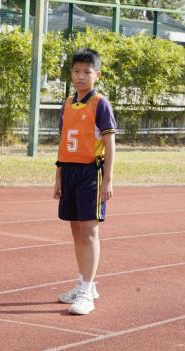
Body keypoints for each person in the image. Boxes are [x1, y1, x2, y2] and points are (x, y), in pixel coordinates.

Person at [53, 48, 117, 315]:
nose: (81, 76)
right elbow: (63, 141)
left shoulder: (100, 104)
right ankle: (83, 284)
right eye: (76, 71)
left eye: (87, 72)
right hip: (69, 172)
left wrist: (108, 180)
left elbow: (110, 143)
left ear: (97, 75)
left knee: (90, 231)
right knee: (76, 230)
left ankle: (87, 292)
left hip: (91, 172)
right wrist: (58, 176)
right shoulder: (67, 104)